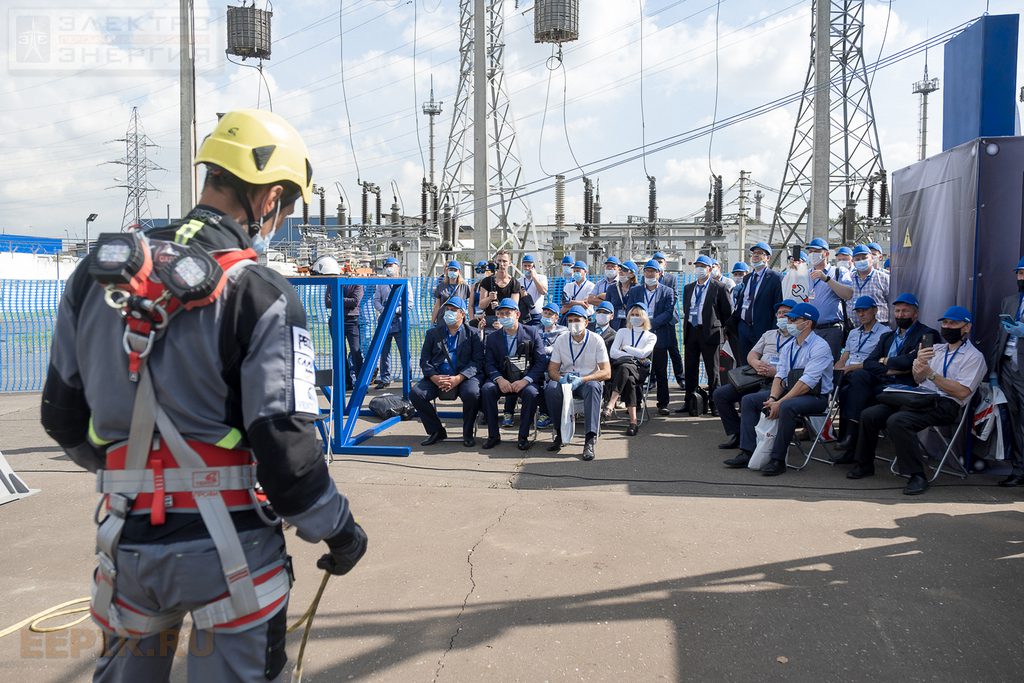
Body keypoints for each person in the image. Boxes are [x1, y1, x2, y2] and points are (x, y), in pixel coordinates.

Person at [40, 109, 367, 680]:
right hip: (233, 557)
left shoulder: (96, 278)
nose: (279, 219)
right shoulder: (259, 291)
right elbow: (285, 448)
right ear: (267, 199)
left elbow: (62, 418)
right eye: (284, 208)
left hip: (129, 545)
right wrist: (340, 531)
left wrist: (132, 474)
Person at [846, 306, 987, 494]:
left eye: (953, 323)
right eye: (945, 323)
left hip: (945, 404)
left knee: (898, 421)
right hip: (919, 397)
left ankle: (917, 475)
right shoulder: (935, 349)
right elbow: (919, 379)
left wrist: (931, 374)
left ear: (966, 328)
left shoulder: (974, 357)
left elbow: (961, 392)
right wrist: (918, 366)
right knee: (870, 414)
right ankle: (864, 464)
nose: (947, 327)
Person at [724, 303, 834, 474]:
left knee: (787, 407)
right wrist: (774, 398)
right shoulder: (790, 345)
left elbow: (806, 383)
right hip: (789, 392)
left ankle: (778, 459)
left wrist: (780, 402)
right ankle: (748, 451)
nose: (788, 322)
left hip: (815, 396)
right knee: (749, 400)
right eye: (788, 319)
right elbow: (780, 375)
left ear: (808, 323)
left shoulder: (820, 346)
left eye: (793, 319)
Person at [833, 292, 936, 457]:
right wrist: (889, 367)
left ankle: (852, 443)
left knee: (852, 391)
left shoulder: (927, 334)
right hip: (881, 382)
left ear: (915, 313)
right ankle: (851, 441)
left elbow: (909, 362)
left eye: (905, 311)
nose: (900, 315)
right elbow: (869, 363)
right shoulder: (888, 336)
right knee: (855, 383)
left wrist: (884, 361)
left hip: (904, 386)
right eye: (897, 311)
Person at [717, 299, 797, 452]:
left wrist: (775, 372)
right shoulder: (769, 334)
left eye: (785, 313)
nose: (781, 316)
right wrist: (755, 363)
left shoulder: (797, 339)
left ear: (794, 317)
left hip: (779, 382)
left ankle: (751, 447)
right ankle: (738, 433)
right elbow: (752, 354)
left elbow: (798, 367)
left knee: (751, 401)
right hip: (756, 377)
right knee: (720, 394)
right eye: (779, 313)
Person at [409, 296, 484, 447]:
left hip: (463, 377)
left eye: (453, 310)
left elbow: (477, 362)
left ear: (462, 314)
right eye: (447, 310)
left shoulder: (473, 334)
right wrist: (434, 377)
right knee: (416, 394)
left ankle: (467, 433)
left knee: (472, 393)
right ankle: (436, 431)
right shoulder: (433, 333)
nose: (448, 313)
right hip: (438, 377)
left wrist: (459, 378)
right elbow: (424, 360)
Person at [544, 305, 612, 460]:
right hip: (566, 381)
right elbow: (553, 369)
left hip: (587, 381)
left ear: (586, 322)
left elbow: (606, 372)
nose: (573, 323)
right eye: (570, 320)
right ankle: (559, 434)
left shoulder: (596, 340)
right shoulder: (562, 340)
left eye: (577, 320)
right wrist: (560, 379)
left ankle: (589, 439)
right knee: (551, 389)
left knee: (594, 387)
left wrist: (583, 379)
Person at [480, 298, 548, 451]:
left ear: (517, 314)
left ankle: (523, 437)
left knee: (532, 393)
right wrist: (499, 379)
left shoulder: (532, 332)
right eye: (501, 314)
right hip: (502, 379)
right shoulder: (492, 338)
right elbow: (488, 363)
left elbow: (540, 361)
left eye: (507, 313)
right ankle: (493, 436)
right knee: (487, 390)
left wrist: (526, 380)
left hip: (524, 379)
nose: (504, 317)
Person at [680, 254, 733, 415]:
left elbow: (727, 312)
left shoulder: (720, 287)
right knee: (690, 369)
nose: (699, 269)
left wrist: (720, 329)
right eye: (697, 266)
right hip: (691, 331)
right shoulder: (689, 288)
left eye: (702, 267)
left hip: (710, 333)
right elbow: (687, 308)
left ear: (710, 269)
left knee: (713, 370)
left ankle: (714, 404)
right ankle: (690, 401)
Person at [626, 259, 678, 415]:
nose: (649, 274)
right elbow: (630, 308)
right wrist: (641, 324)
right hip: (638, 336)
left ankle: (663, 404)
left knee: (661, 371)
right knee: (637, 371)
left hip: (659, 335)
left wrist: (650, 323)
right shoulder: (635, 291)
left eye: (653, 271)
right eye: (647, 271)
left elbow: (669, 313)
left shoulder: (667, 291)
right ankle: (636, 403)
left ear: (660, 273)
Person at [992, 257, 1024, 486]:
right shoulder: (1009, 301)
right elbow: (999, 336)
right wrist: (994, 370)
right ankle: (1019, 468)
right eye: (1019, 273)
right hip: (1007, 367)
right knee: (1013, 420)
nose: (1021, 278)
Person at [606, 302, 657, 435]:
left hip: (640, 370)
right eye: (632, 314)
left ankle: (611, 403)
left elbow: (644, 354)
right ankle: (633, 422)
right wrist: (634, 355)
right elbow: (613, 353)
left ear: (644, 317)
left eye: (638, 315)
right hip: (622, 367)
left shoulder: (651, 336)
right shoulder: (622, 331)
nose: (635, 317)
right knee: (626, 372)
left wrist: (626, 348)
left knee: (627, 371)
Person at [733, 242, 783, 364]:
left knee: (761, 363)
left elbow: (778, 306)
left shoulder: (776, 278)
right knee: (744, 363)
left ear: (767, 258)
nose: (755, 256)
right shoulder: (747, 278)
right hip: (744, 327)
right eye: (754, 253)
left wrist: (773, 331)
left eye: (760, 253)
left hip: (763, 328)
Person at [804, 237, 854, 360]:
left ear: (826, 254)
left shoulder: (838, 271)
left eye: (816, 251)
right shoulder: (805, 274)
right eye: (810, 252)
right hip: (810, 329)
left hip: (831, 329)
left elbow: (848, 294)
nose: (812, 255)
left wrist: (826, 279)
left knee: (829, 364)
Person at [371, 256, 406, 390]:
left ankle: (407, 378)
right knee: (384, 351)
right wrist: (384, 310)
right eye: (387, 266)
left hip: (399, 320)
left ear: (398, 267)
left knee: (404, 351)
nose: (389, 268)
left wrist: (395, 310)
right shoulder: (381, 283)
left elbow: (409, 303)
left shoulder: (404, 282)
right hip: (384, 320)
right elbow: (376, 301)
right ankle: (385, 378)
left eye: (392, 265)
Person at [652, 251, 685, 390]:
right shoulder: (648, 278)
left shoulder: (671, 278)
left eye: (661, 261)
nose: (659, 264)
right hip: (653, 322)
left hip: (668, 320)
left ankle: (681, 377)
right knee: (653, 351)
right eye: (656, 261)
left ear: (665, 263)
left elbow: (674, 297)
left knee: (674, 350)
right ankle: (652, 379)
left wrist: (664, 314)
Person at [535, 303, 567, 430]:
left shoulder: (563, 331)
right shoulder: (535, 329)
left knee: (551, 385)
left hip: (556, 364)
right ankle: (544, 413)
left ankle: (550, 413)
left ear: (556, 318)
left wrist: (547, 349)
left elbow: (561, 347)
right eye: (545, 313)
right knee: (537, 382)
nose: (546, 316)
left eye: (550, 314)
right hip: (539, 363)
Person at [849, 245, 890, 325]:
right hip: (854, 328)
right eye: (857, 259)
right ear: (853, 261)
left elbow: (892, 304)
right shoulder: (849, 279)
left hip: (880, 328)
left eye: (864, 258)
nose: (861, 261)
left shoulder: (884, 278)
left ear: (872, 258)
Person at [477, 249, 521, 321]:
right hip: (490, 319)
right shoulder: (486, 281)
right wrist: (489, 298)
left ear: (509, 263)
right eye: (499, 261)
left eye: (504, 261)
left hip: (507, 319)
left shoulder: (514, 283)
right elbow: (481, 305)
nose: (501, 264)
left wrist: (500, 306)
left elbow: (514, 306)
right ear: (495, 262)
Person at [432, 260, 470, 324]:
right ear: (447, 271)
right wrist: (432, 322)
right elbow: (437, 306)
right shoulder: (441, 286)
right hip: (443, 319)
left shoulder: (465, 286)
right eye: (450, 270)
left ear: (459, 272)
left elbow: (470, 304)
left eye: (455, 270)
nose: (452, 272)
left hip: (458, 320)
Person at [606, 260, 638, 330]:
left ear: (632, 274)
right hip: (614, 325)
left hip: (631, 325)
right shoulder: (612, 288)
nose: (621, 272)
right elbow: (608, 307)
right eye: (620, 269)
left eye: (625, 270)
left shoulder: (638, 289)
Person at [519, 254, 548, 325]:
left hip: (537, 315)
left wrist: (534, 277)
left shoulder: (542, 278)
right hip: (524, 315)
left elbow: (543, 291)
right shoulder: (519, 281)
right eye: (525, 266)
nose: (527, 268)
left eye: (529, 266)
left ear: (533, 266)